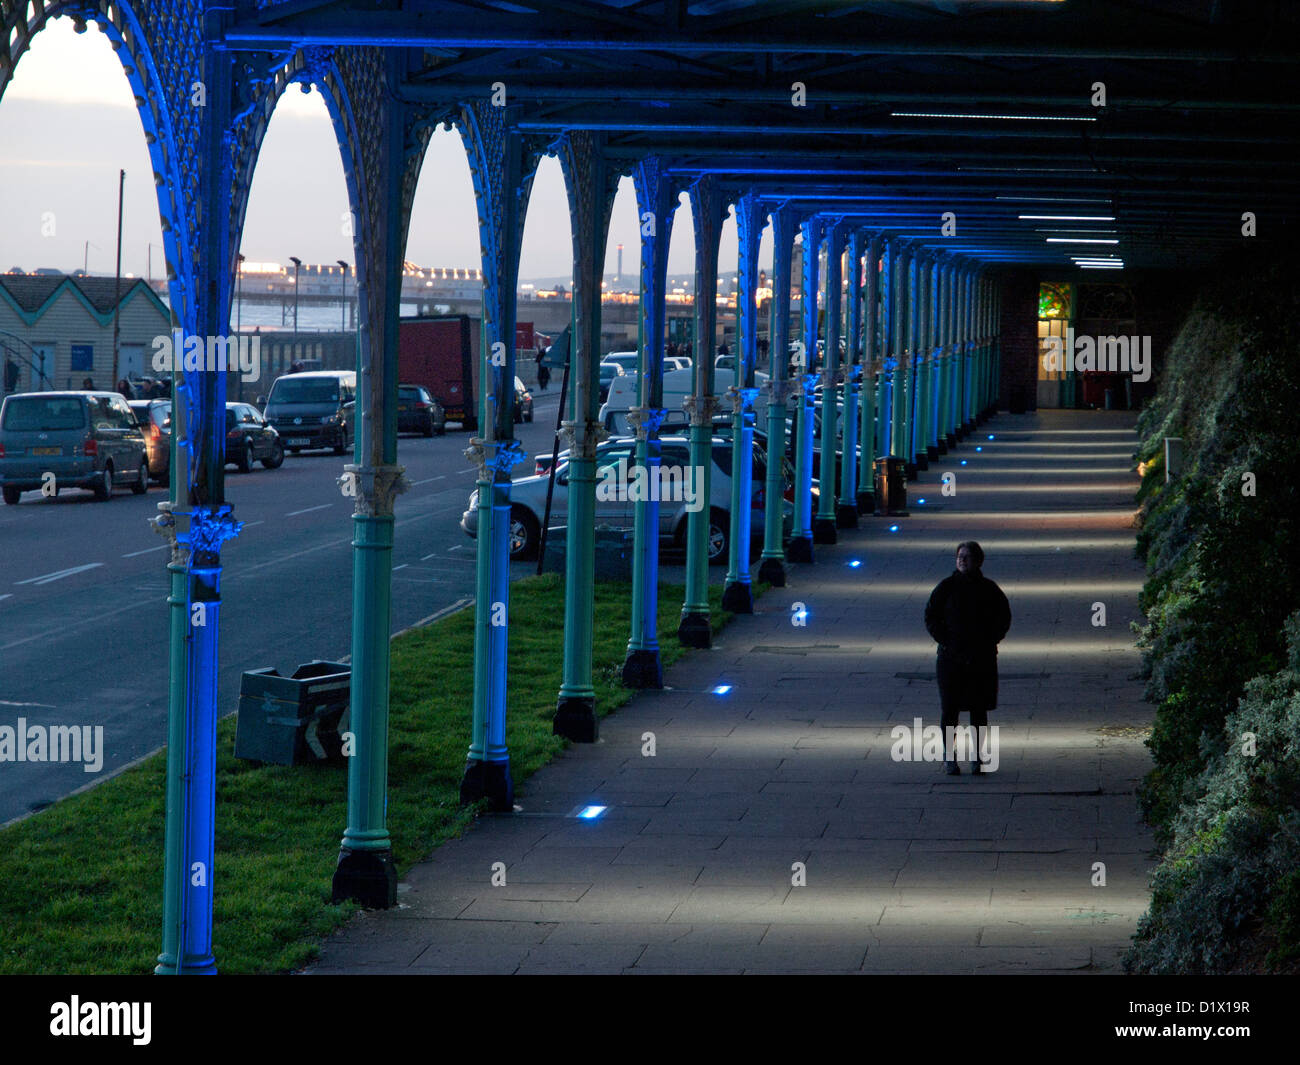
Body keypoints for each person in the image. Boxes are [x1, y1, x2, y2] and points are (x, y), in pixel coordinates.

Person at [924, 541, 1011, 775]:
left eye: (967, 557)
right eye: (959, 556)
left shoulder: (989, 589)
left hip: (980, 657)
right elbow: (931, 617)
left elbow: (1003, 618)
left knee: (978, 709)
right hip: (950, 657)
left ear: (978, 561)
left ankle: (977, 756)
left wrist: (990, 640)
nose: (962, 560)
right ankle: (949, 756)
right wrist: (946, 640)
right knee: (950, 709)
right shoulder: (946, 588)